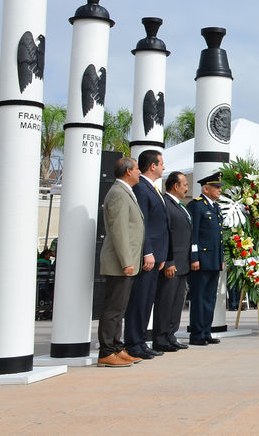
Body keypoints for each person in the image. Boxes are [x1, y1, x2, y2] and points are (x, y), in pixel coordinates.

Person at [97, 157, 145, 368]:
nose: (139, 172)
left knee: (119, 309)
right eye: (136, 169)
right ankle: (107, 351)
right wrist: (126, 261)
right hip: (119, 262)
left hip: (127, 261)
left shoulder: (125, 192)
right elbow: (119, 231)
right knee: (113, 309)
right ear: (128, 172)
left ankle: (117, 347)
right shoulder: (118, 193)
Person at [124, 150, 171, 359]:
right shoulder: (142, 188)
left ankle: (141, 341)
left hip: (156, 256)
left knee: (147, 301)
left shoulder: (152, 189)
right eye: (161, 164)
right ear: (152, 166)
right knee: (139, 300)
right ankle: (133, 343)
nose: (164, 168)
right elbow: (142, 224)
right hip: (147, 256)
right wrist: (148, 252)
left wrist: (161, 255)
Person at [152, 171, 192, 352]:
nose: (187, 188)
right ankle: (160, 338)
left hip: (183, 263)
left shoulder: (179, 206)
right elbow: (165, 234)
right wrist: (169, 262)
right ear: (175, 186)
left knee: (177, 303)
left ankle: (170, 335)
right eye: (184, 185)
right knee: (165, 302)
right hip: (172, 262)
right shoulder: (166, 204)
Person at [187, 171, 225, 344]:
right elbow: (193, 234)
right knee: (199, 297)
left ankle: (206, 331)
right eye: (216, 187)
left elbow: (219, 237)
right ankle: (197, 334)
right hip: (201, 260)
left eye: (219, 187)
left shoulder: (215, 207)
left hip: (213, 260)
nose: (219, 190)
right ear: (206, 188)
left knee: (210, 297)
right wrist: (194, 257)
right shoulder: (197, 205)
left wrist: (221, 258)